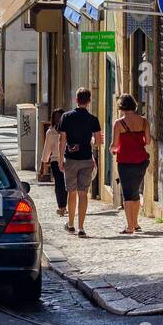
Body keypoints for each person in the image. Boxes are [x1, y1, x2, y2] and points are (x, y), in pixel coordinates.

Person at [57, 88, 103, 238]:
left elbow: (62, 139)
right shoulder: (93, 119)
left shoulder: (66, 116)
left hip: (70, 159)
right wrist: (90, 142)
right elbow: (98, 142)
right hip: (86, 160)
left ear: (76, 100)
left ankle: (70, 225)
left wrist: (59, 159)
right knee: (83, 193)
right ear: (89, 102)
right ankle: (81, 227)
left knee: (72, 192)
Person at [111, 95, 151, 234]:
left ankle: (129, 227)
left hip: (125, 161)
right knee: (135, 192)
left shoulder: (118, 123)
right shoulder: (144, 121)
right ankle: (136, 223)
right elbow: (148, 141)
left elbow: (114, 144)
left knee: (128, 194)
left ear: (121, 106)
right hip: (141, 161)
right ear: (134, 105)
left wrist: (112, 150)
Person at [41, 109, 68, 217]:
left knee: (63, 184)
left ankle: (64, 206)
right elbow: (47, 148)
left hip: (63, 160)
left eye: (59, 117)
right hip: (60, 161)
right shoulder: (51, 131)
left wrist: (43, 163)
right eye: (56, 117)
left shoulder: (63, 130)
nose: (58, 119)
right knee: (61, 184)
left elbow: (47, 149)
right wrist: (43, 164)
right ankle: (62, 206)